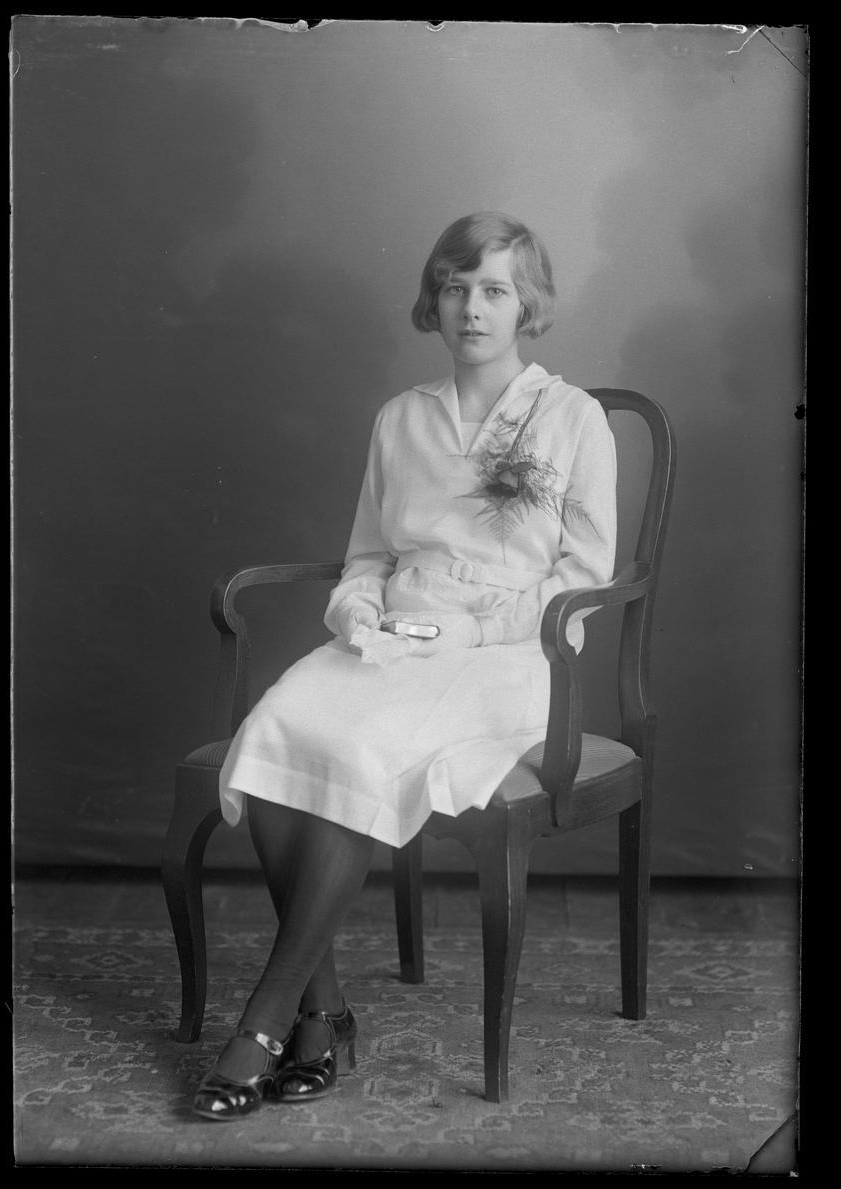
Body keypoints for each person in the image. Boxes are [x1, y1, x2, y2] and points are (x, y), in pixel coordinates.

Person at [192, 212, 617, 1120]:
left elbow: (582, 579)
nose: (473, 309)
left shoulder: (573, 417)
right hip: (398, 638)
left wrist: (475, 632)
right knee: (278, 732)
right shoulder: (402, 417)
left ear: (527, 305)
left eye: (495, 290)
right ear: (435, 300)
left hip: (510, 654)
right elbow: (370, 555)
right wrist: (356, 609)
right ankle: (325, 1011)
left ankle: (266, 1017)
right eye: (456, 289)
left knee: (360, 749)